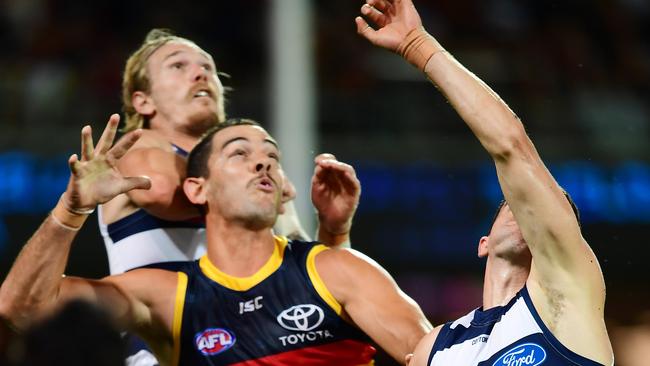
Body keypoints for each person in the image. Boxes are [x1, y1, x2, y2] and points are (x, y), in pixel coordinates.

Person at [0, 116, 431, 365]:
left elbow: (439, 357)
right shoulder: (169, 296)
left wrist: (335, 235)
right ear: (196, 190)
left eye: (271, 156)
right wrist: (71, 209)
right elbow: (21, 309)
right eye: (239, 153)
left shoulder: (336, 269)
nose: (262, 160)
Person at [355, 0, 614, 365]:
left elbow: (510, 145)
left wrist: (417, 45)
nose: (528, 212)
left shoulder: (566, 298)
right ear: (483, 243)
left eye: (550, 209)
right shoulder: (436, 347)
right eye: (511, 205)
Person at [105, 29, 352, 365]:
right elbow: (162, 190)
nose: (200, 73)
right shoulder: (134, 149)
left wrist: (333, 229)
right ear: (143, 101)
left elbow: (303, 274)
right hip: (163, 349)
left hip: (251, 342)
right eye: (177, 66)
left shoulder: (253, 170)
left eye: (208, 68)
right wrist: (254, 193)